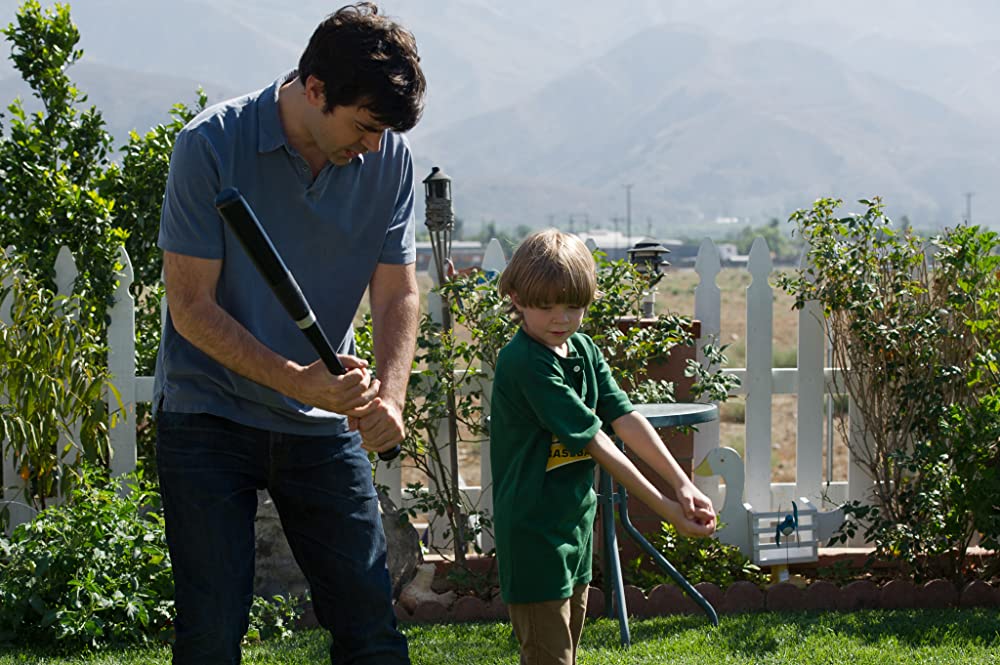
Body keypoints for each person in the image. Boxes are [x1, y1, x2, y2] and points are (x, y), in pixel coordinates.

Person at [152, 3, 426, 663]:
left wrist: (389, 396)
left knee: (371, 629)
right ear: (314, 90)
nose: (372, 146)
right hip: (206, 413)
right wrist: (296, 379)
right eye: (363, 126)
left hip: (318, 421)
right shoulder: (210, 144)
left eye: (383, 132)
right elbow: (190, 306)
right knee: (212, 633)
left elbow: (398, 293)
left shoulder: (390, 158)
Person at [490, 229, 717, 665]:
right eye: (546, 305)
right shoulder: (524, 362)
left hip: (574, 524)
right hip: (534, 535)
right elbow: (595, 440)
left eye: (573, 305)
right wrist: (665, 507)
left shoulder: (584, 350)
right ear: (517, 298)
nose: (561, 317)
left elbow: (626, 419)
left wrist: (682, 485)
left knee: (567, 653)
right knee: (548, 657)